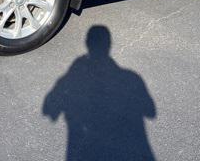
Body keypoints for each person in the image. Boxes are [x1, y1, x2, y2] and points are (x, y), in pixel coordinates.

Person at [43, 25, 156, 160]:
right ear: (109, 45)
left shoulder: (70, 77)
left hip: (83, 147)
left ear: (87, 43)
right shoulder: (131, 77)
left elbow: (47, 109)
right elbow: (150, 112)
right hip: (122, 147)